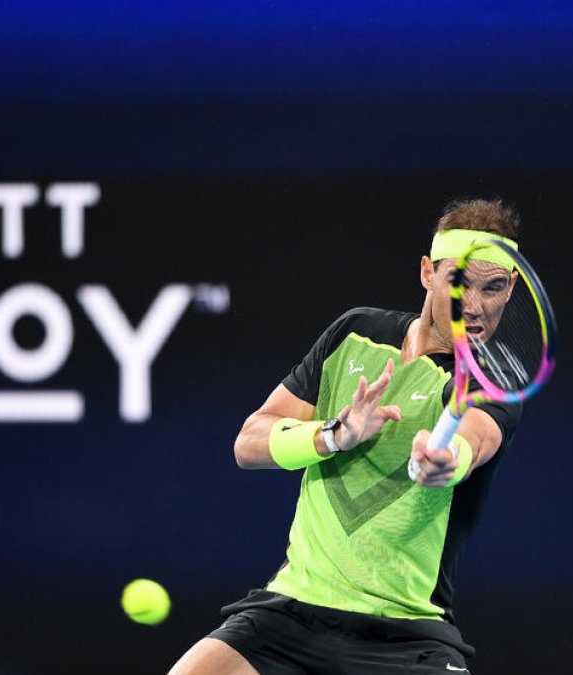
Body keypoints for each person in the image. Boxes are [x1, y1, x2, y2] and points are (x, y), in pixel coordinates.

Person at [169, 199, 524, 675]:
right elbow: (249, 442)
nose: (475, 306)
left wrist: (444, 461)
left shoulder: (492, 382)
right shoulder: (355, 334)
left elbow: (475, 441)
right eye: (459, 283)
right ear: (427, 274)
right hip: (292, 613)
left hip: (406, 634)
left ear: (511, 287)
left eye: (493, 287)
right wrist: (333, 434)